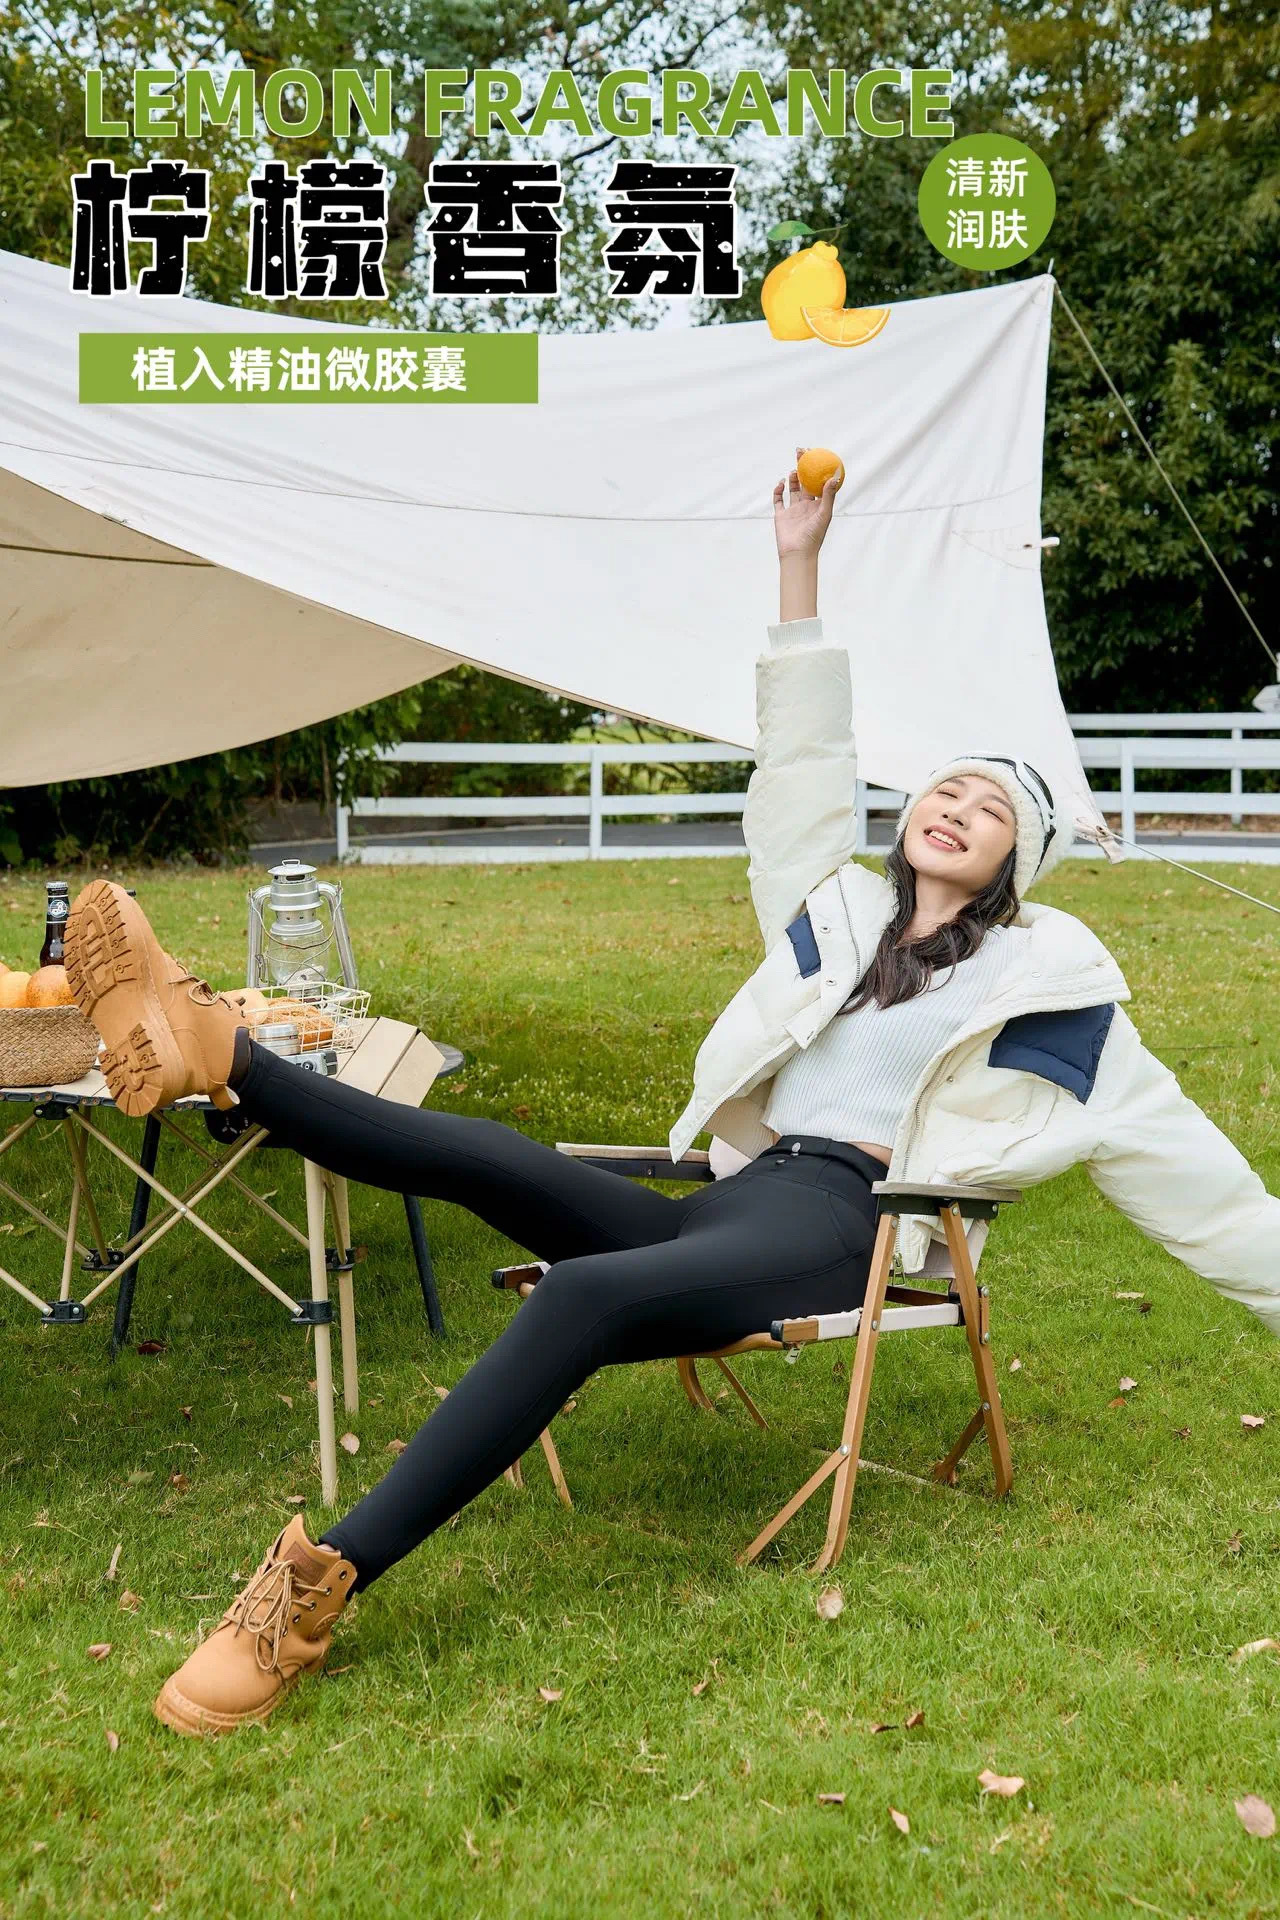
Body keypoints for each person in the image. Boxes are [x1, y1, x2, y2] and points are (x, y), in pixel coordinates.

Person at [65, 450, 1280, 1740]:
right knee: (485, 1152)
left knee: (582, 1294)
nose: (956, 807)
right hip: (737, 1204)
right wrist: (798, 565)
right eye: (945, 786)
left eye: (990, 809)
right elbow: (801, 769)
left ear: (1017, 860)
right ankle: (220, 1054)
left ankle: (313, 1592)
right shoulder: (841, 915)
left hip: (852, 1228)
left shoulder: (1053, 992)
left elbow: (1203, 1187)